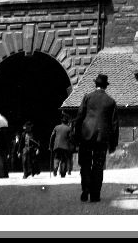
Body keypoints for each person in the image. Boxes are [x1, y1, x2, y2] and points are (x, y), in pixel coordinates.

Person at [73, 72, 120, 203]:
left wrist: (76, 136)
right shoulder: (111, 101)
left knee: (85, 164)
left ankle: (85, 189)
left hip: (86, 136)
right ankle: (95, 195)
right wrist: (113, 143)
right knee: (98, 166)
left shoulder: (87, 97)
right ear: (105, 86)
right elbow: (115, 124)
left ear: (96, 84)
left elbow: (79, 117)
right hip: (102, 138)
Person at [50, 113, 74, 178]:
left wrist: (50, 146)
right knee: (64, 159)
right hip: (65, 146)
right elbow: (71, 138)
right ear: (67, 122)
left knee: (56, 157)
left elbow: (52, 137)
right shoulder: (69, 129)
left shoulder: (56, 127)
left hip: (57, 146)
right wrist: (71, 145)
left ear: (61, 121)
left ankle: (55, 167)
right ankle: (63, 173)